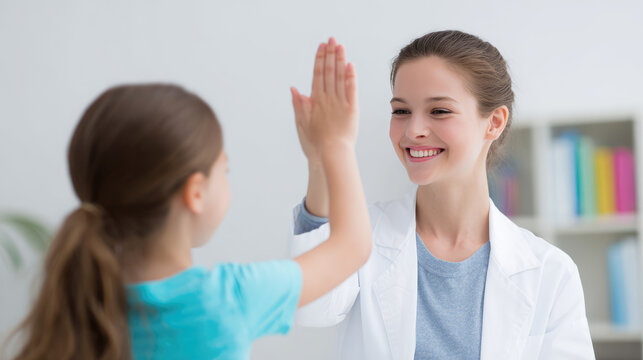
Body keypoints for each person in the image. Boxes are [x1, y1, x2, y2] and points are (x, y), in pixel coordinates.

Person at [7, 38, 371, 360]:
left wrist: (318, 161)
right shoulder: (228, 300)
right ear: (196, 193)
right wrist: (336, 145)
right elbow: (352, 245)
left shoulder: (77, 308)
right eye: (223, 170)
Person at [289, 31, 595, 359]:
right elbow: (312, 307)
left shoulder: (550, 271)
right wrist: (321, 160)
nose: (412, 130)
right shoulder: (363, 236)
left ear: (494, 122)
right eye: (401, 111)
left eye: (439, 111)